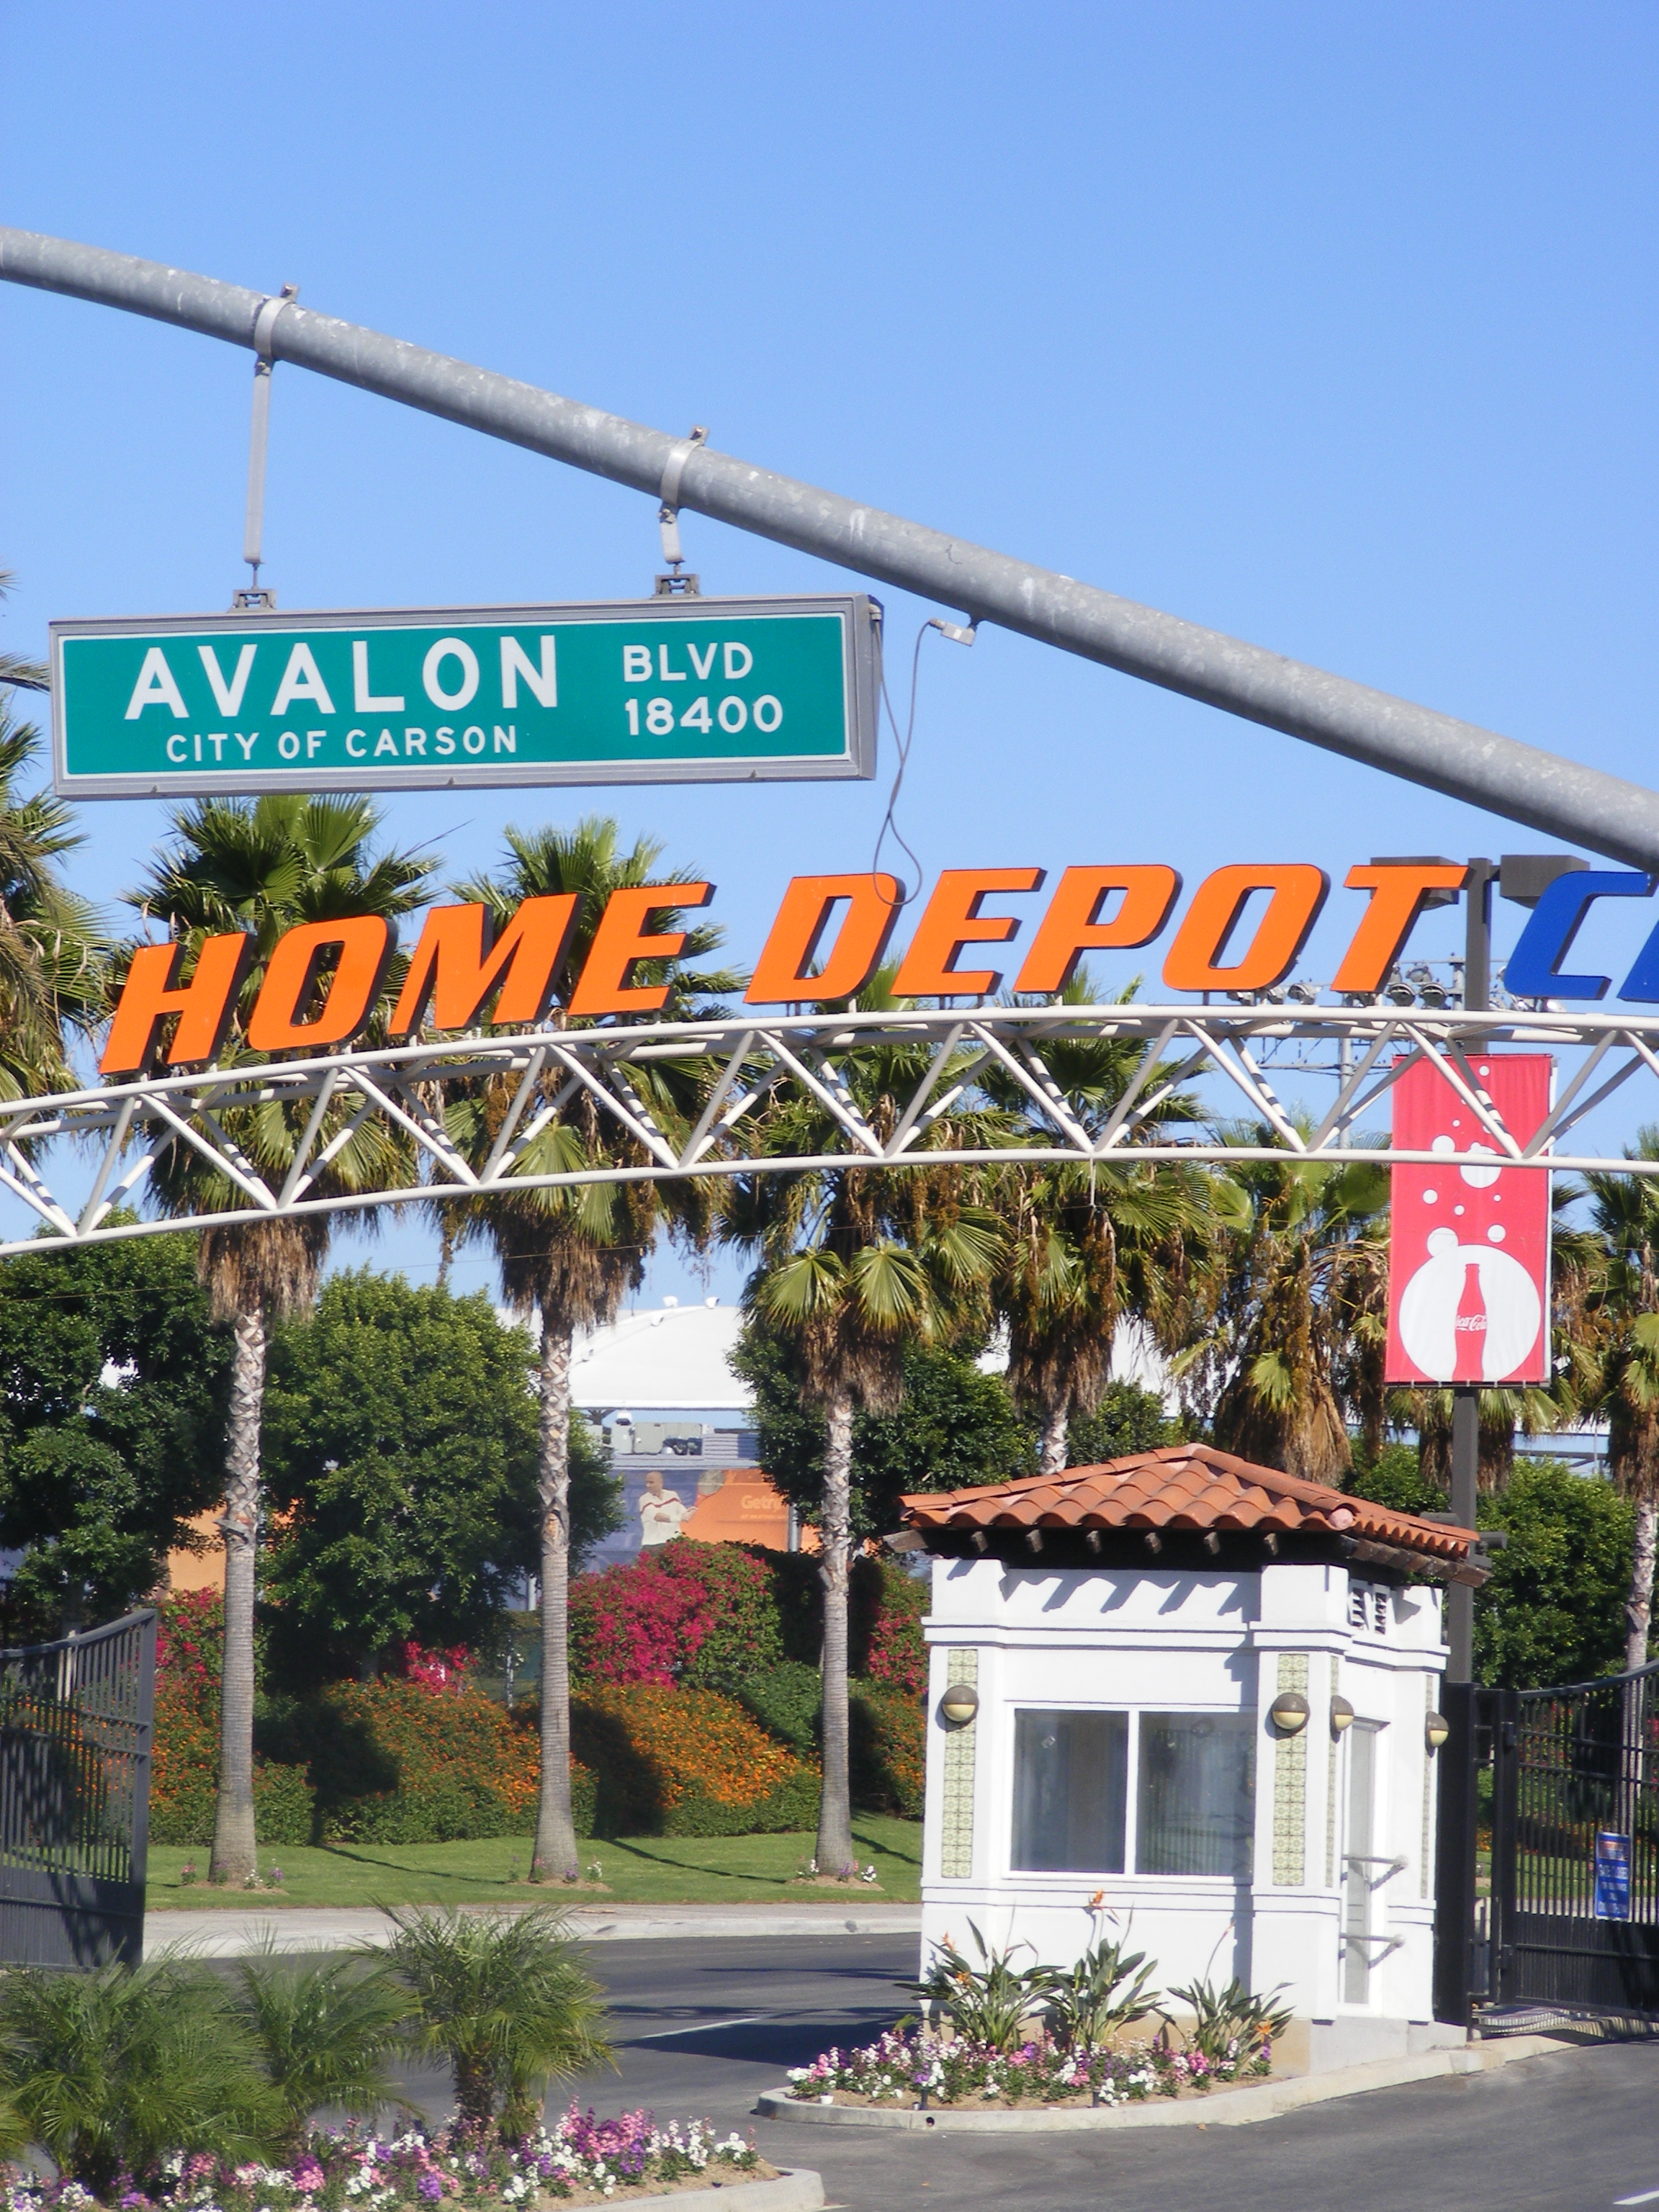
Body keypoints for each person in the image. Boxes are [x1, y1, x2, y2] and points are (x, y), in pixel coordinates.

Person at [638, 1467, 689, 1547]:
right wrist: (679, 1518)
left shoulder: (672, 1495)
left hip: (674, 1542)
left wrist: (689, 1514)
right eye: (647, 1482)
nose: (648, 1485)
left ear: (661, 1483)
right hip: (653, 1544)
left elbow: (683, 1512)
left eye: (651, 1482)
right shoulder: (644, 1499)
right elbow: (658, 1517)